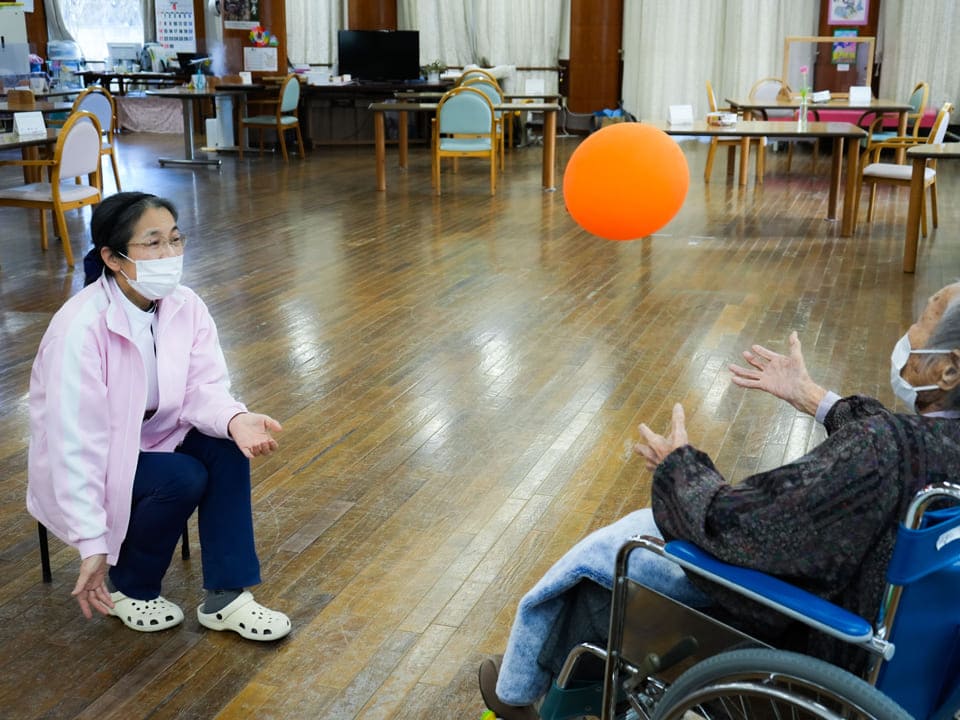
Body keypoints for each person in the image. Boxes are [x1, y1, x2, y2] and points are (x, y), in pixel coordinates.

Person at [479, 283, 960, 718]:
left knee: (605, 575)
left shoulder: (882, 448)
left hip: (814, 645)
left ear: (949, 368)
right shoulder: (927, 446)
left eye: (924, 317)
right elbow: (900, 448)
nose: (910, 330)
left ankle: (526, 699)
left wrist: (680, 467)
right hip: (905, 663)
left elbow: (743, 530)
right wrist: (813, 396)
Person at [27, 192, 291, 641]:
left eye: (174, 239)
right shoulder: (79, 329)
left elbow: (201, 387)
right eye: (153, 244)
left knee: (228, 448)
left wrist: (233, 418)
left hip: (156, 437)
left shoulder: (185, 305)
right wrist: (93, 543)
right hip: (97, 459)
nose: (170, 255)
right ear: (112, 257)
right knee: (182, 475)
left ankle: (227, 596)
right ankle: (130, 587)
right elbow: (76, 443)